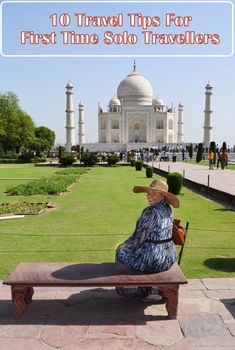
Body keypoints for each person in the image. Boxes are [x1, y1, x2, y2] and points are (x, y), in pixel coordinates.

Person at [115, 179, 180, 298]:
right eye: (148, 193)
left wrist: (123, 245)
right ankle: (145, 287)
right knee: (137, 250)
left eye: (153, 194)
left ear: (163, 196)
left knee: (120, 251)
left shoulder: (150, 212)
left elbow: (137, 239)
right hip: (169, 257)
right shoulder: (167, 208)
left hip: (154, 260)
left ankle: (130, 289)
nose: (149, 196)